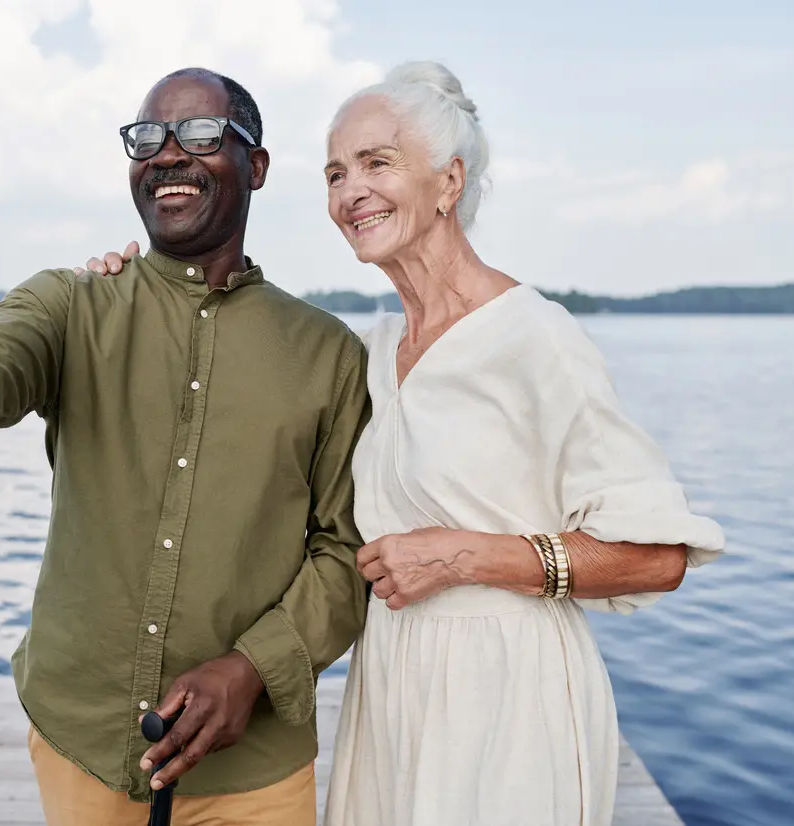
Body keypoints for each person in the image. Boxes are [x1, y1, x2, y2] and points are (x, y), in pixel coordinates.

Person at [82, 61, 727, 826]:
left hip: (507, 704)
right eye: (335, 173)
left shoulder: (534, 338)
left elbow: (657, 556)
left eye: (377, 163)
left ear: (449, 182)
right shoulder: (376, 349)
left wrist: (467, 556)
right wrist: (140, 290)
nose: (351, 191)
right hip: (392, 688)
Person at [0, 67, 372, 826]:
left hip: (254, 772)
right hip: (81, 746)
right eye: (147, 137)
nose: (168, 153)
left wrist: (251, 669)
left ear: (255, 166)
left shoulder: (330, 354)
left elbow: (344, 550)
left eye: (199, 133)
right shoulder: (70, 303)